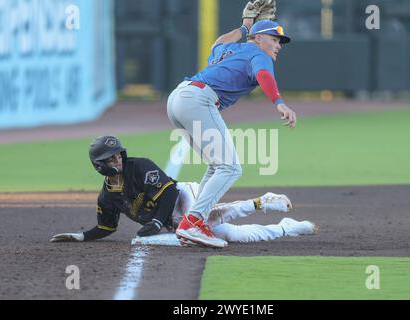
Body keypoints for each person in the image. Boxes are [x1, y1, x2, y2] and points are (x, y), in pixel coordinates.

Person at [166, 1, 297, 247]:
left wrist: (244, 26)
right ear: (258, 39)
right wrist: (278, 102)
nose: (278, 46)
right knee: (230, 167)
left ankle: (194, 221)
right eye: (275, 39)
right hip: (198, 100)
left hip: (177, 99)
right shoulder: (259, 54)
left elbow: (216, 43)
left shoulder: (231, 50)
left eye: (280, 42)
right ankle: (193, 223)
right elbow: (264, 76)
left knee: (217, 166)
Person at [50, 136, 317, 246]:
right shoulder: (107, 197)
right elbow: (107, 227)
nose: (117, 160)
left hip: (182, 197)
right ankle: (281, 223)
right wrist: (80, 236)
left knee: (212, 224)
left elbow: (168, 194)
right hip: (171, 219)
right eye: (110, 159)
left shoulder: (139, 166)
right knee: (231, 235)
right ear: (100, 166)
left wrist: (155, 221)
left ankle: (264, 206)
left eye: (118, 155)